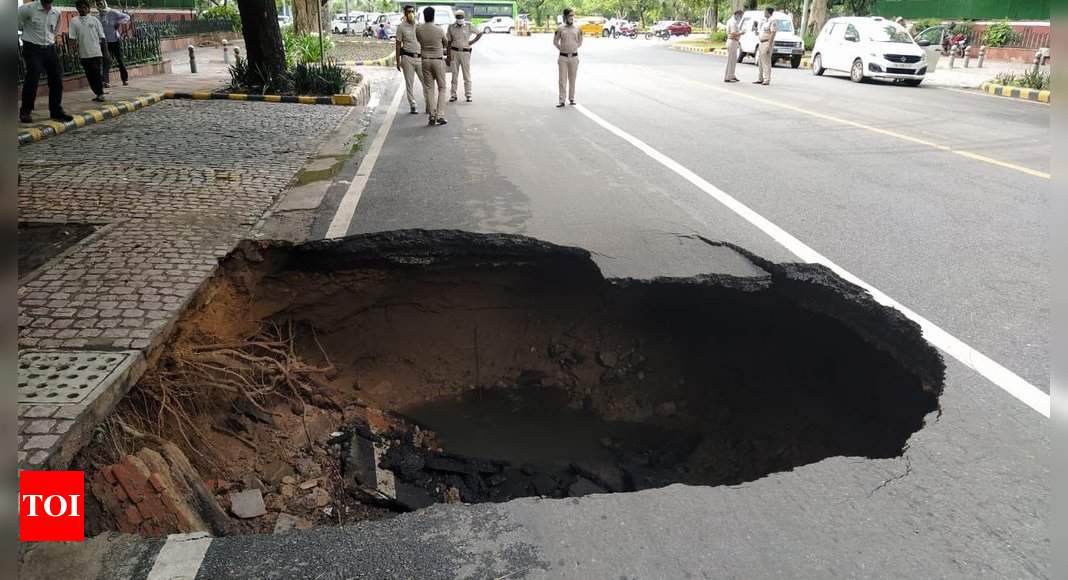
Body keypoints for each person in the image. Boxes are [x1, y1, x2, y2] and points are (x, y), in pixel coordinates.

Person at [18, 0, 72, 123]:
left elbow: (54, 31)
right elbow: (17, 25)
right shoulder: (28, 9)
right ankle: (25, 111)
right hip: (32, 48)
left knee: (57, 78)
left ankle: (56, 111)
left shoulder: (56, 13)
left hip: (49, 48)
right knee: (32, 78)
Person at [416, 6, 449, 125]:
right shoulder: (439, 29)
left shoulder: (419, 29)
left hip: (425, 61)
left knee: (429, 89)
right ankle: (440, 115)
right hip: (437, 61)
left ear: (424, 16)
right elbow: (446, 43)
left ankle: (431, 115)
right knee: (442, 88)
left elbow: (419, 41)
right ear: (433, 16)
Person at [70, 0, 107, 103]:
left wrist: (106, 51)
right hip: (84, 54)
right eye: (80, 7)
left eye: (84, 7)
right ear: (77, 9)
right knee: (89, 75)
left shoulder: (94, 20)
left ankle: (100, 93)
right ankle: (97, 93)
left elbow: (102, 36)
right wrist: (71, 51)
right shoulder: (74, 21)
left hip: (96, 52)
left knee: (96, 72)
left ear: (88, 8)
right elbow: (72, 37)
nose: (82, 9)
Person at [446, 9, 481, 103]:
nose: (459, 19)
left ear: (463, 17)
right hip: (454, 52)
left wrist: (471, 42)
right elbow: (449, 42)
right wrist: (448, 56)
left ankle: (468, 94)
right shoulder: (451, 27)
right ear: (455, 18)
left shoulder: (469, 26)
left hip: (465, 52)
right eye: (458, 17)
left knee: (466, 74)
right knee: (454, 74)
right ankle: (453, 95)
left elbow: (479, 33)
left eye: (461, 17)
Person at [395, 5, 423, 115]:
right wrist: (398, 60)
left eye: (412, 11)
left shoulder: (419, 26)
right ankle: (413, 104)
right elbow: (398, 45)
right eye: (408, 12)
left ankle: (429, 103)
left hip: (420, 58)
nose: (411, 13)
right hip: (407, 58)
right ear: (405, 14)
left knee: (425, 82)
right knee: (409, 83)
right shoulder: (401, 27)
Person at [96, 0, 130, 87]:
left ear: (104, 3)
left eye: (101, 3)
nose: (99, 5)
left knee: (120, 60)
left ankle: (125, 79)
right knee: (106, 61)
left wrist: (119, 22)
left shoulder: (113, 12)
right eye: (98, 4)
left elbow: (127, 17)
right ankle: (105, 81)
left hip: (115, 40)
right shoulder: (97, 17)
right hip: (104, 42)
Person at [553, 7, 582, 107]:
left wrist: (573, 48)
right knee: (562, 79)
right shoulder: (560, 28)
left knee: (572, 79)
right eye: (570, 15)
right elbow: (555, 41)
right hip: (563, 58)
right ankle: (562, 100)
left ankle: (572, 98)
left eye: (573, 15)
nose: (571, 18)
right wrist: (561, 48)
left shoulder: (577, 29)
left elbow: (580, 41)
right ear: (565, 16)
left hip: (574, 57)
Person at [755, 6, 776, 85]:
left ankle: (767, 79)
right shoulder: (764, 21)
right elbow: (761, 32)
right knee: (760, 61)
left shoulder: (772, 21)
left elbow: (773, 33)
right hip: (761, 42)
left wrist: (769, 45)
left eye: (765, 11)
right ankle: (760, 78)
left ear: (768, 12)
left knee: (766, 61)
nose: (764, 13)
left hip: (767, 42)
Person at [724, 9, 743, 82]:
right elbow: (733, 33)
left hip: (734, 41)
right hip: (732, 41)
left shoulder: (733, 21)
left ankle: (732, 75)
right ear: (737, 14)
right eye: (740, 15)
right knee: (730, 60)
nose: (740, 17)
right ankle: (727, 77)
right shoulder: (733, 22)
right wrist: (741, 33)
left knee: (733, 60)